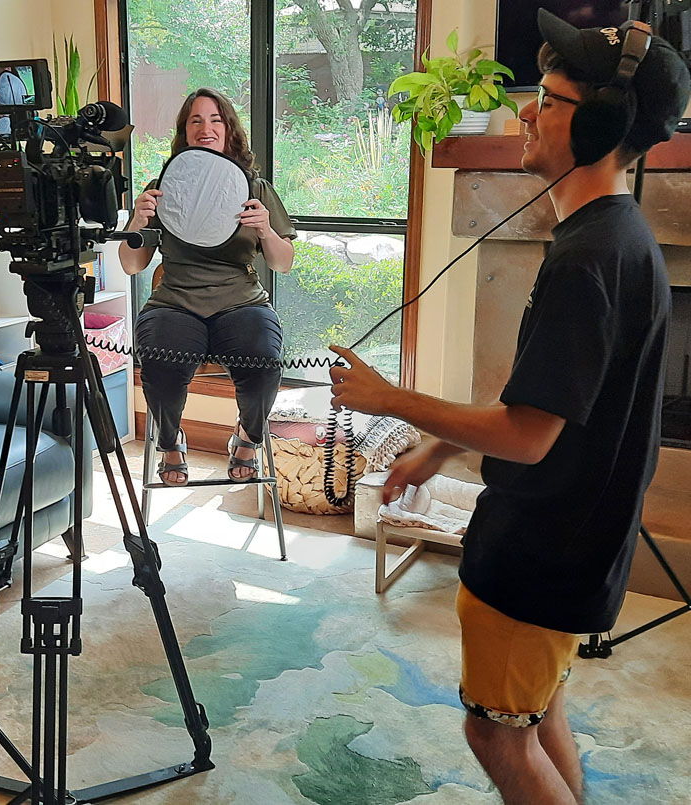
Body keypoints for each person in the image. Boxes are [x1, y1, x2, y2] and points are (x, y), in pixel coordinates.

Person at [327, 12, 689, 804]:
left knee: (495, 732)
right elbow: (547, 395)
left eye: (550, 101)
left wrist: (391, 399)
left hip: (542, 551)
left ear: (598, 127)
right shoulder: (617, 237)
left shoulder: (588, 260)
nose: (526, 110)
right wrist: (441, 449)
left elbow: (526, 437)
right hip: (578, 542)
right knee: (536, 706)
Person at [119, 88, 296, 486]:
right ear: (184, 131)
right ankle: (170, 442)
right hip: (175, 303)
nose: (206, 128)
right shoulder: (162, 188)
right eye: (195, 120)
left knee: (264, 361)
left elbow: (282, 263)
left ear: (229, 129)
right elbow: (132, 265)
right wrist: (138, 222)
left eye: (215, 119)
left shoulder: (255, 188)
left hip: (241, 302)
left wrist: (266, 228)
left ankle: (247, 439)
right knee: (160, 363)